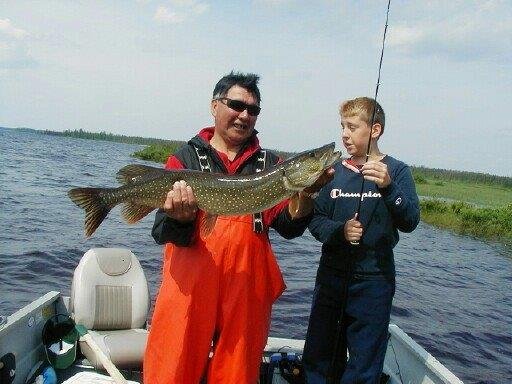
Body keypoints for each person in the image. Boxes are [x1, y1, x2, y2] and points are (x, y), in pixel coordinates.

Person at [143, 71, 333, 384]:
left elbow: (288, 226)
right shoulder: (184, 158)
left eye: (253, 110)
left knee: (238, 374)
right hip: (191, 286)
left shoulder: (270, 164)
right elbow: (162, 232)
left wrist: (309, 192)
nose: (245, 115)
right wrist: (181, 215)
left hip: (246, 287)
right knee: (173, 365)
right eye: (236, 105)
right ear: (214, 106)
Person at [302, 97, 420, 383]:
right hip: (331, 277)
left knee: (364, 362)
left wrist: (389, 188)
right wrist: (340, 232)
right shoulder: (332, 173)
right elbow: (315, 222)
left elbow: (410, 221)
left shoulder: (397, 171)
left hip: (374, 281)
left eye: (353, 127)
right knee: (319, 356)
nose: (345, 133)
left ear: (375, 130)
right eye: (343, 126)